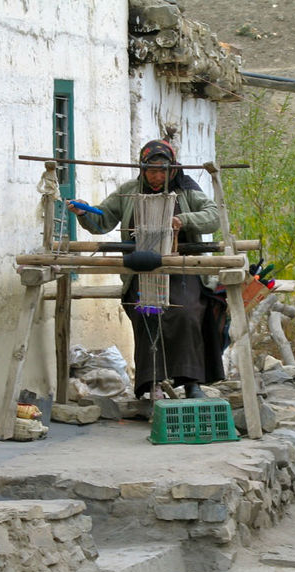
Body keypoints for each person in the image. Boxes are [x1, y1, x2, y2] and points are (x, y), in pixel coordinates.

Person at [66, 139, 226, 399]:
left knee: (186, 313)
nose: (157, 176)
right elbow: (102, 220)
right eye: (151, 171)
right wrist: (83, 213)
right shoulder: (129, 191)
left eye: (163, 171)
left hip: (182, 270)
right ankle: (152, 385)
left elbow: (213, 216)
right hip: (142, 271)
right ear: (142, 169)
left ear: (173, 169)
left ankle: (191, 383)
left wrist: (181, 220)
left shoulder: (187, 192)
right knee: (147, 314)